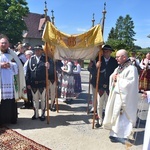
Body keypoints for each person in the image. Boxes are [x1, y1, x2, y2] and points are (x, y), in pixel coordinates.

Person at [103, 49, 139, 144]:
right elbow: (113, 76)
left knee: (123, 117)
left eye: (118, 57)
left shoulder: (132, 68)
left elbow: (131, 84)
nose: (116, 58)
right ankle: (114, 134)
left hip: (125, 98)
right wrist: (113, 77)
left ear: (124, 57)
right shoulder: (120, 67)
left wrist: (118, 79)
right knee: (115, 115)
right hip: (117, 95)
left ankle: (123, 136)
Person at [0, 34, 27, 124]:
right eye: (2, 43)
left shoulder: (12, 54)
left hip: (10, 83)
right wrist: (1, 65)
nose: (3, 45)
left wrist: (10, 65)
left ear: (8, 44)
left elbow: (19, 66)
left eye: (5, 43)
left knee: (10, 101)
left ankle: (11, 119)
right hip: (1, 83)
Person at [95, 45, 118, 127]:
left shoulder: (114, 61)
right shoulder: (98, 59)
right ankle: (99, 119)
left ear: (110, 52)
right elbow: (91, 71)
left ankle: (107, 120)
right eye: (104, 51)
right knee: (99, 104)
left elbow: (117, 72)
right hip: (100, 85)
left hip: (110, 86)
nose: (105, 53)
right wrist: (96, 67)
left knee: (108, 104)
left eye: (107, 51)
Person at [26, 45, 50, 121]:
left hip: (42, 83)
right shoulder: (31, 60)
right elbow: (28, 72)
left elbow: (50, 71)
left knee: (42, 99)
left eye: (39, 50)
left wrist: (48, 66)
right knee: (35, 99)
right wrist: (28, 83)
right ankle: (36, 114)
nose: (37, 51)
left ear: (41, 51)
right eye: (36, 50)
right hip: (33, 83)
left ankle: (43, 114)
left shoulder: (45, 59)